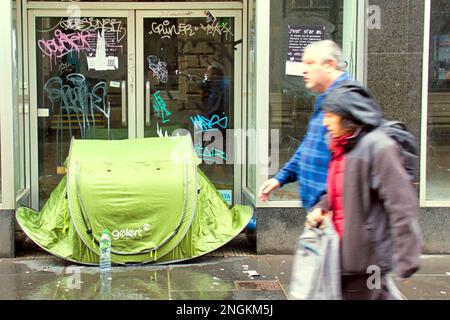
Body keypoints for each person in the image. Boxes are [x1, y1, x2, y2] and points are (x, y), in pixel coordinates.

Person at [307, 81, 422, 300]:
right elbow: (339, 190)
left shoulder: (378, 147)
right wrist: (322, 207)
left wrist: (407, 259)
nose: (325, 122)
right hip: (343, 255)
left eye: (330, 116)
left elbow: (401, 204)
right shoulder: (343, 146)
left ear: (347, 117)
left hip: (367, 261)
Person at [258, 40, 351, 211]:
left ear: (330, 64)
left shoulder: (348, 101)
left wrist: (326, 205)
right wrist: (280, 178)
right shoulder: (326, 99)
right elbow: (310, 146)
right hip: (322, 211)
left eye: (310, 63)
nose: (303, 69)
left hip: (336, 214)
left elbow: (358, 166)